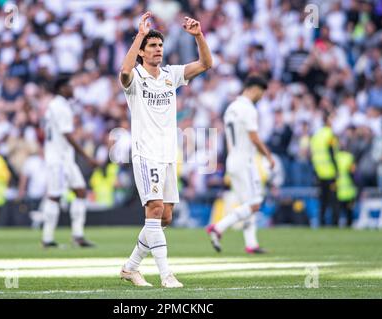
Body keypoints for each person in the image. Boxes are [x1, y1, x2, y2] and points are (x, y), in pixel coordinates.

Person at [118, 12, 212, 288]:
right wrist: (139, 34)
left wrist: (198, 36)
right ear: (142, 52)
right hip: (146, 152)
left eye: (160, 45)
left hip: (169, 153)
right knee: (155, 210)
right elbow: (123, 72)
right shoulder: (134, 78)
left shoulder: (171, 75)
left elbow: (207, 63)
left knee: (165, 217)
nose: (158, 49)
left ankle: (130, 267)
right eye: (153, 46)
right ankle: (166, 274)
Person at [206, 76, 275, 253]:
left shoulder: (231, 108)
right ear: (254, 89)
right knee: (255, 203)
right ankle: (219, 227)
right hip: (245, 160)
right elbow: (254, 137)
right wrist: (268, 156)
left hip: (233, 159)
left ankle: (251, 244)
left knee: (247, 203)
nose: (261, 96)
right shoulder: (248, 109)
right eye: (261, 92)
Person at [41, 76, 96, 248]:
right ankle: (47, 238)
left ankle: (77, 236)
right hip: (57, 158)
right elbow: (67, 134)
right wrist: (86, 156)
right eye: (70, 86)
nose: (73, 89)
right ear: (62, 88)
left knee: (80, 191)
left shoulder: (58, 105)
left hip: (65, 157)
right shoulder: (59, 107)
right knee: (54, 196)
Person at [310, 113, 340, 226]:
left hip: (319, 172)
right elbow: (331, 152)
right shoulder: (329, 135)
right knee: (333, 200)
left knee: (322, 200)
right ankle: (334, 223)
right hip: (330, 172)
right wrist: (336, 170)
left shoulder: (317, 135)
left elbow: (313, 154)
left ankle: (321, 222)